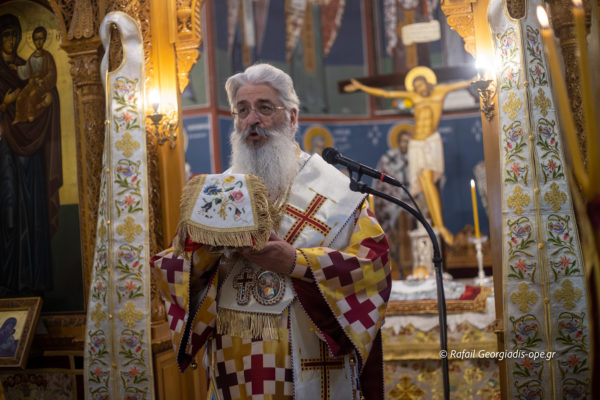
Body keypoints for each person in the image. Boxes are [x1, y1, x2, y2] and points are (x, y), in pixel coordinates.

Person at [152, 63, 391, 399]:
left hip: (308, 357)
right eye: (242, 110)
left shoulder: (339, 193)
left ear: (292, 118)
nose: (252, 119)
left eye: (264, 108)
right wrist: (203, 255)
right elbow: (174, 269)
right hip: (233, 366)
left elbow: (372, 269)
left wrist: (295, 261)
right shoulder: (216, 194)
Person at [345, 66, 473, 245]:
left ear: (428, 83)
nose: (419, 89)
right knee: (424, 182)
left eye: (422, 85)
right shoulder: (414, 97)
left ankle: (441, 226)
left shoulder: (440, 91)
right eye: (416, 87)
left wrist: (476, 78)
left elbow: (462, 83)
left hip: (430, 141)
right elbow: (387, 94)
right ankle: (438, 225)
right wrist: (361, 87)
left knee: (428, 179)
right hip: (416, 144)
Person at [0, 14, 62, 296]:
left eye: (14, 35)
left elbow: (42, 89)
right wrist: (5, 104)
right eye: (5, 35)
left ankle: (33, 281)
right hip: (5, 145)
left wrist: (50, 99)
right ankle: (8, 282)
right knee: (9, 208)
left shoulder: (25, 66)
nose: (11, 40)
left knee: (33, 207)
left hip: (30, 143)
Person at [373, 128, 413, 277]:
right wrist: (398, 196)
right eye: (403, 141)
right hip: (392, 202)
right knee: (397, 220)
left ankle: (415, 264)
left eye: (408, 142)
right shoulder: (388, 159)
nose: (406, 145)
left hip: (412, 201)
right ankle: (396, 266)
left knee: (420, 217)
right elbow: (381, 184)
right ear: (398, 142)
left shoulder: (416, 157)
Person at [12, 26, 57, 124]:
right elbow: (27, 70)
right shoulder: (32, 56)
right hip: (32, 83)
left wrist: (43, 80)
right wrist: (17, 68)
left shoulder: (47, 56)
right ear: (33, 41)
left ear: (44, 40)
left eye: (41, 39)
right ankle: (19, 117)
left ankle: (31, 115)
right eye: (36, 39)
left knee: (32, 96)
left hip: (42, 84)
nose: (38, 42)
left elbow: (52, 72)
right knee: (20, 97)